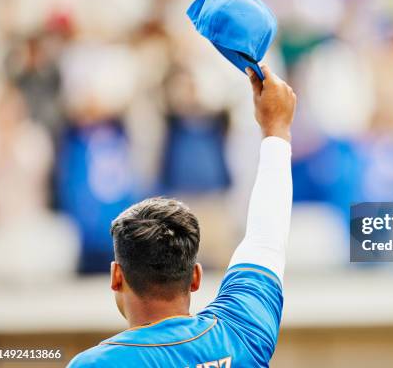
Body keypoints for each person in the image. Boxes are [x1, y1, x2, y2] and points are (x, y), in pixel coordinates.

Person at [68, 64, 296, 367]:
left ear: (116, 276)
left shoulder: (94, 365)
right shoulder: (241, 333)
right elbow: (266, 239)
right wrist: (276, 129)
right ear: (196, 277)